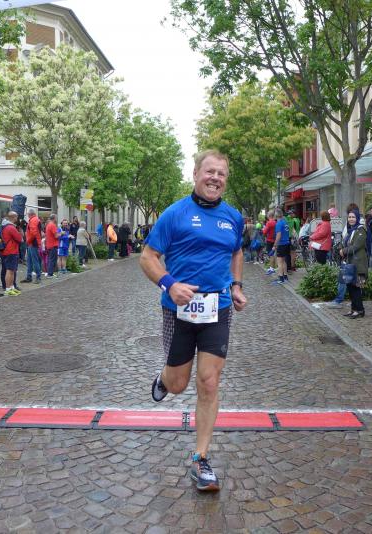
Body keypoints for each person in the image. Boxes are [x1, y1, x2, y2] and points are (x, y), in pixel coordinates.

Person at [141, 149, 246, 492]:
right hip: (179, 310)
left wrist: (236, 285)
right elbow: (148, 256)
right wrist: (169, 284)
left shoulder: (233, 217)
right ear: (196, 174)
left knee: (209, 382)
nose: (215, 178)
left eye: (221, 174)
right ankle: (164, 378)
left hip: (218, 308)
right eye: (209, 172)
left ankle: (201, 459)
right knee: (178, 384)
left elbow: (236, 251)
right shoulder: (175, 213)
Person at [342, 210, 368, 318]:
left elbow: (356, 246)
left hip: (358, 264)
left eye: (353, 217)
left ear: (357, 218)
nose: (351, 219)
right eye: (349, 217)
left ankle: (360, 310)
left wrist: (344, 251)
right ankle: (353, 309)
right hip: (350, 263)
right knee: (350, 287)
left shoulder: (361, 230)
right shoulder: (350, 230)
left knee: (356, 287)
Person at [0, 212, 22, 296]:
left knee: (12, 270)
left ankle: (11, 287)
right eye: (16, 217)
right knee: (9, 271)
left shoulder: (6, 226)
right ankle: (8, 289)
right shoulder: (11, 227)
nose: (17, 218)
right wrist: (20, 232)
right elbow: (19, 238)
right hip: (11, 251)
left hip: (8, 251)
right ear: (13, 217)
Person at [270, 209, 291, 284]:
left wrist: (274, 245)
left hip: (281, 244)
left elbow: (278, 235)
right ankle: (285, 276)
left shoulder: (278, 224)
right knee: (284, 261)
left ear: (276, 215)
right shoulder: (285, 222)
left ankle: (281, 278)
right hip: (287, 243)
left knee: (279, 262)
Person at [23, 209, 42, 284]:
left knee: (34, 261)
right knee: (30, 261)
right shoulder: (35, 219)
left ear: (30, 214)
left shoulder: (33, 220)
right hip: (33, 243)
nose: (27, 216)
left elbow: (33, 233)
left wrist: (28, 241)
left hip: (33, 243)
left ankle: (38, 277)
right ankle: (29, 276)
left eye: (28, 214)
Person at [44, 214, 59, 278]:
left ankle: (50, 273)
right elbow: (56, 236)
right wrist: (61, 233)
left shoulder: (48, 225)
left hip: (49, 245)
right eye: (56, 218)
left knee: (50, 259)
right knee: (52, 260)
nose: (57, 219)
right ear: (54, 218)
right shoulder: (52, 225)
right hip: (53, 245)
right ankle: (50, 274)